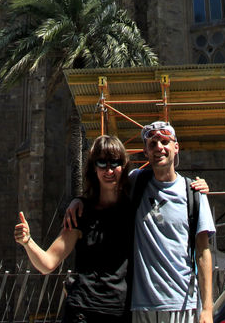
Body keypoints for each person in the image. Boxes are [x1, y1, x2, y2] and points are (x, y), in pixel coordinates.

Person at [15, 134, 134, 323]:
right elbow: (48, 263)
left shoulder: (134, 210)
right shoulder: (81, 213)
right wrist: (27, 241)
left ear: (124, 166)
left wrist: (198, 187)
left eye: (115, 162)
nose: (109, 169)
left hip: (120, 312)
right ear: (94, 168)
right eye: (102, 163)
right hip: (82, 312)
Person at [130, 121, 215, 323]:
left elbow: (203, 252)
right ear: (145, 152)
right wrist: (77, 202)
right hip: (141, 307)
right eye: (152, 144)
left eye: (165, 141)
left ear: (176, 147)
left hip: (182, 304)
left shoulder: (194, 193)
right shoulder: (135, 182)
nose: (159, 147)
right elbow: (104, 184)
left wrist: (208, 309)